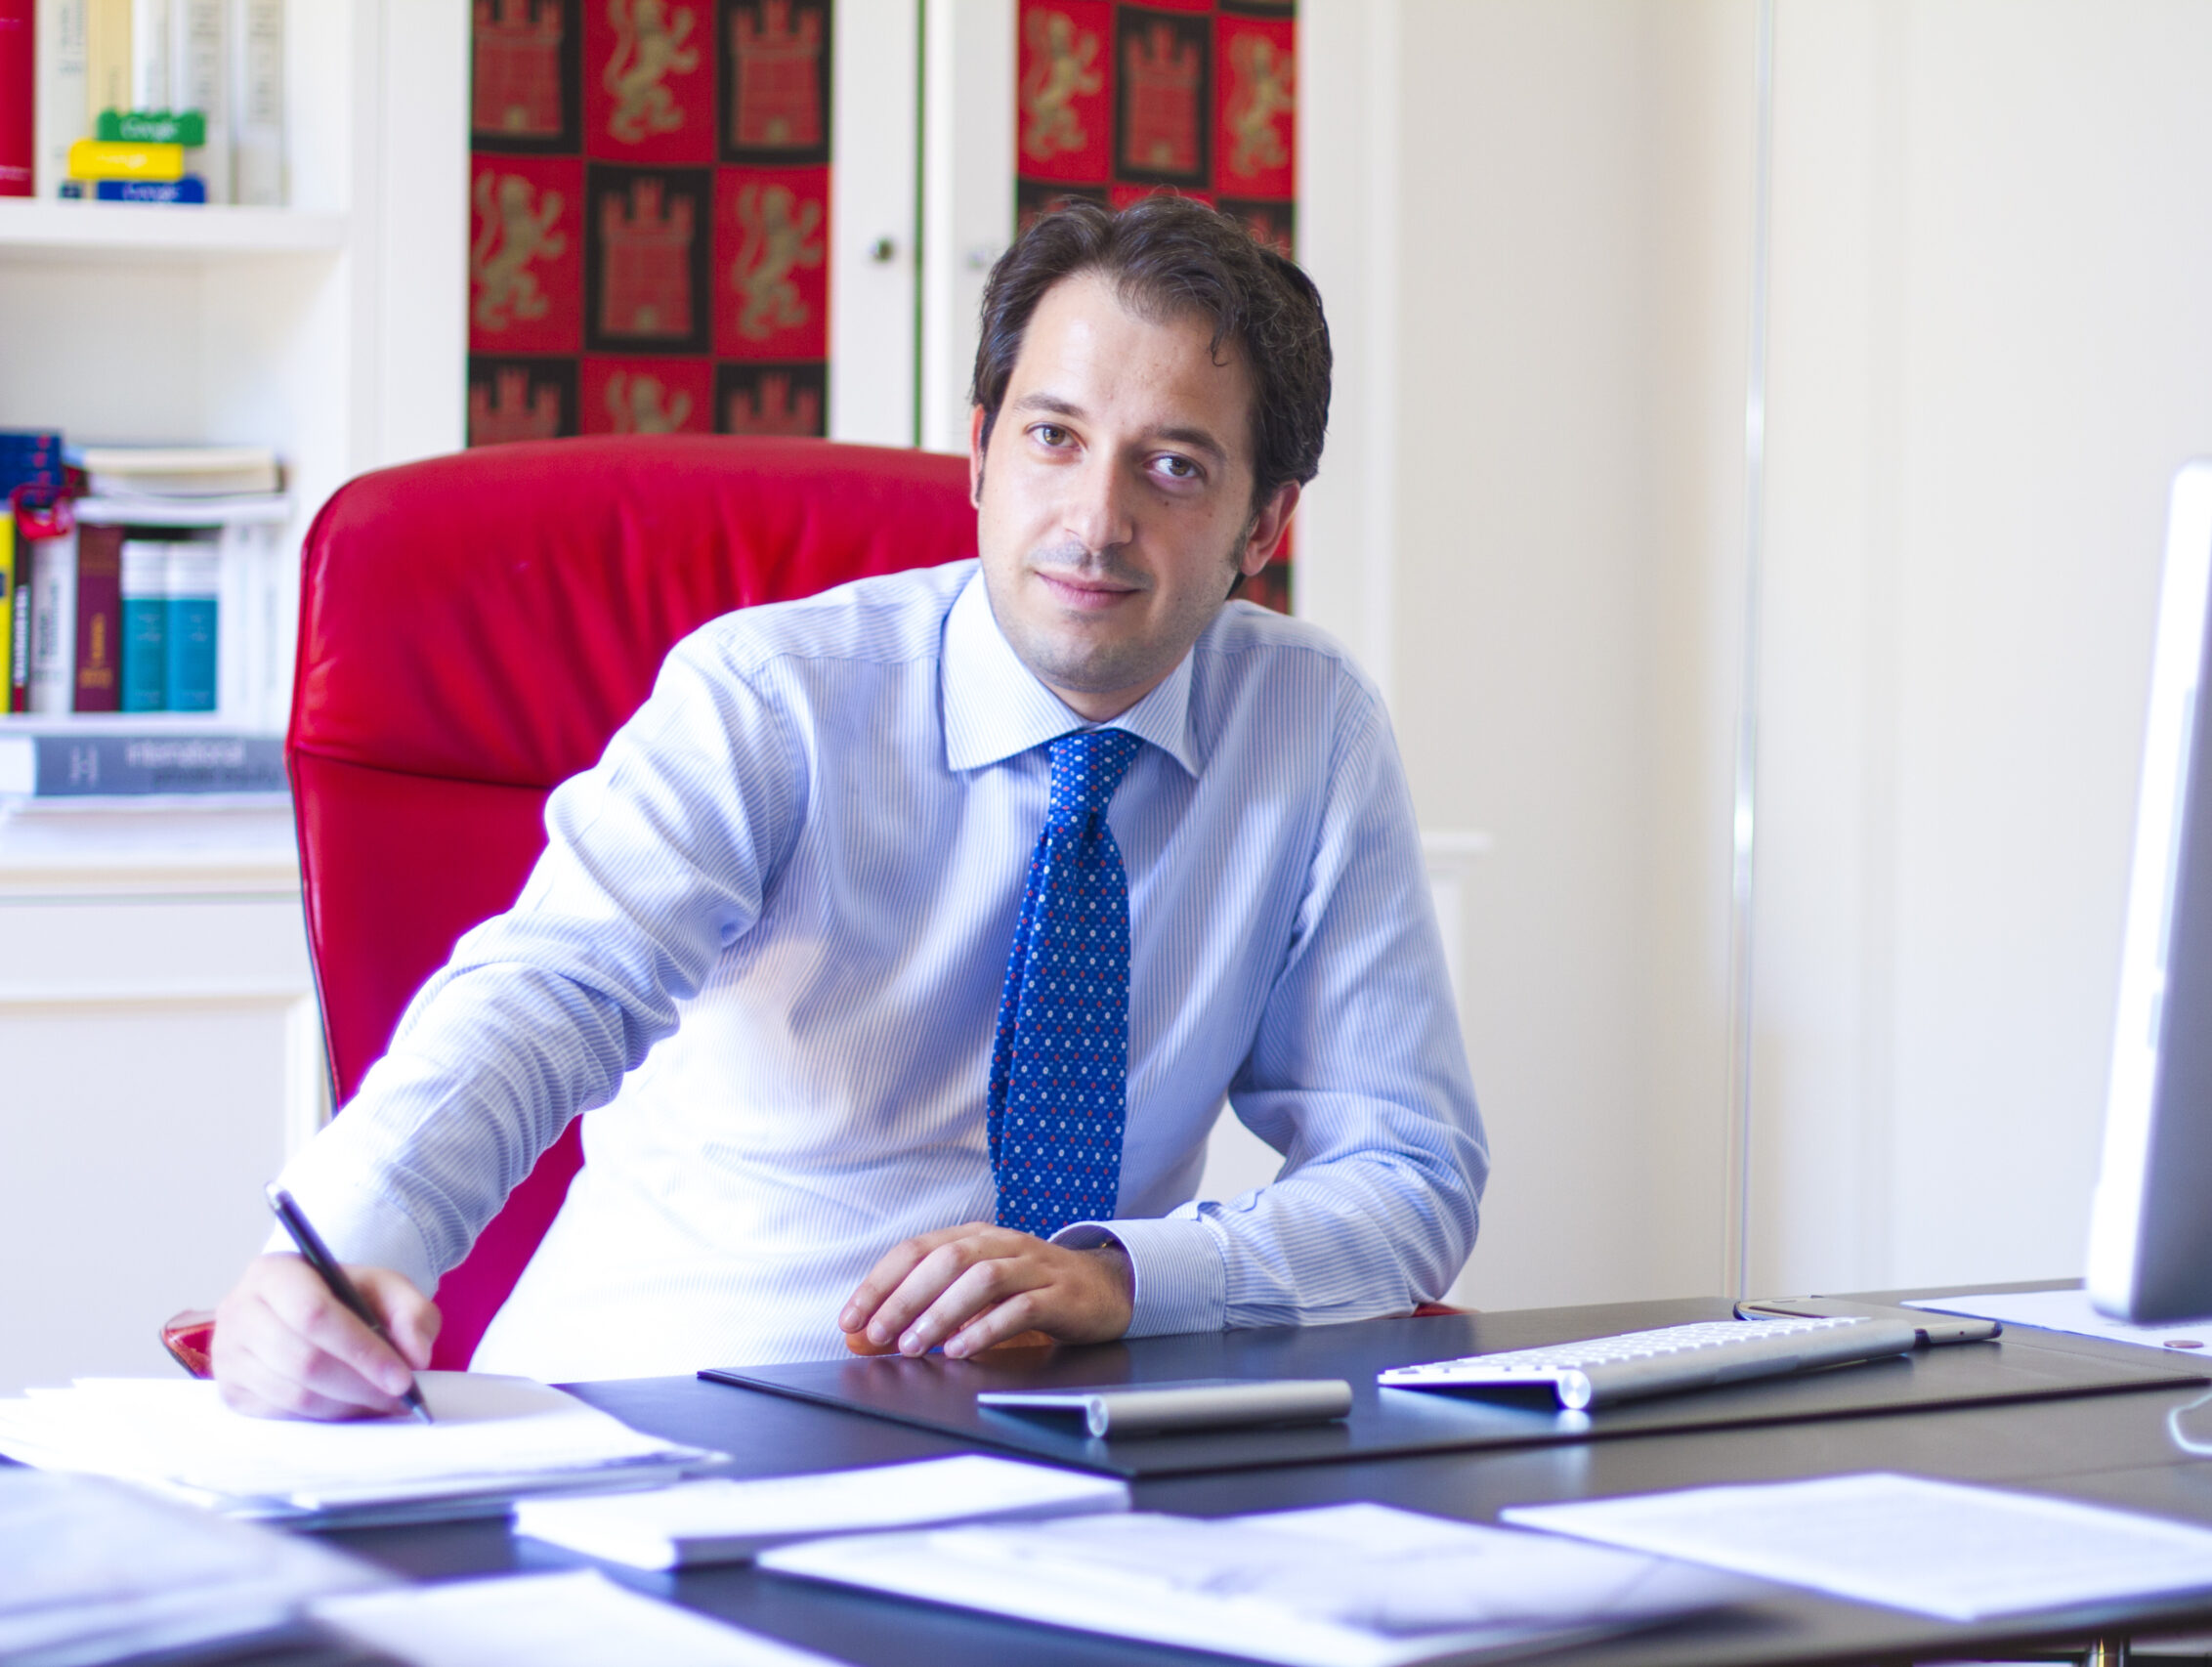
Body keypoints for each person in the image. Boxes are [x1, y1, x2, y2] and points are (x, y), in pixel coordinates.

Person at [210, 196, 1487, 1419]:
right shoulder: (772, 698)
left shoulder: (1309, 728)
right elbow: (553, 988)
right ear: (980, 455)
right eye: (1053, 438)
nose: (1096, 521)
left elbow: (1407, 1170)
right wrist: (338, 1251)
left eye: (1172, 466)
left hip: (1053, 1452)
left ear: (1264, 523)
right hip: (661, 1422)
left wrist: (1130, 1277)